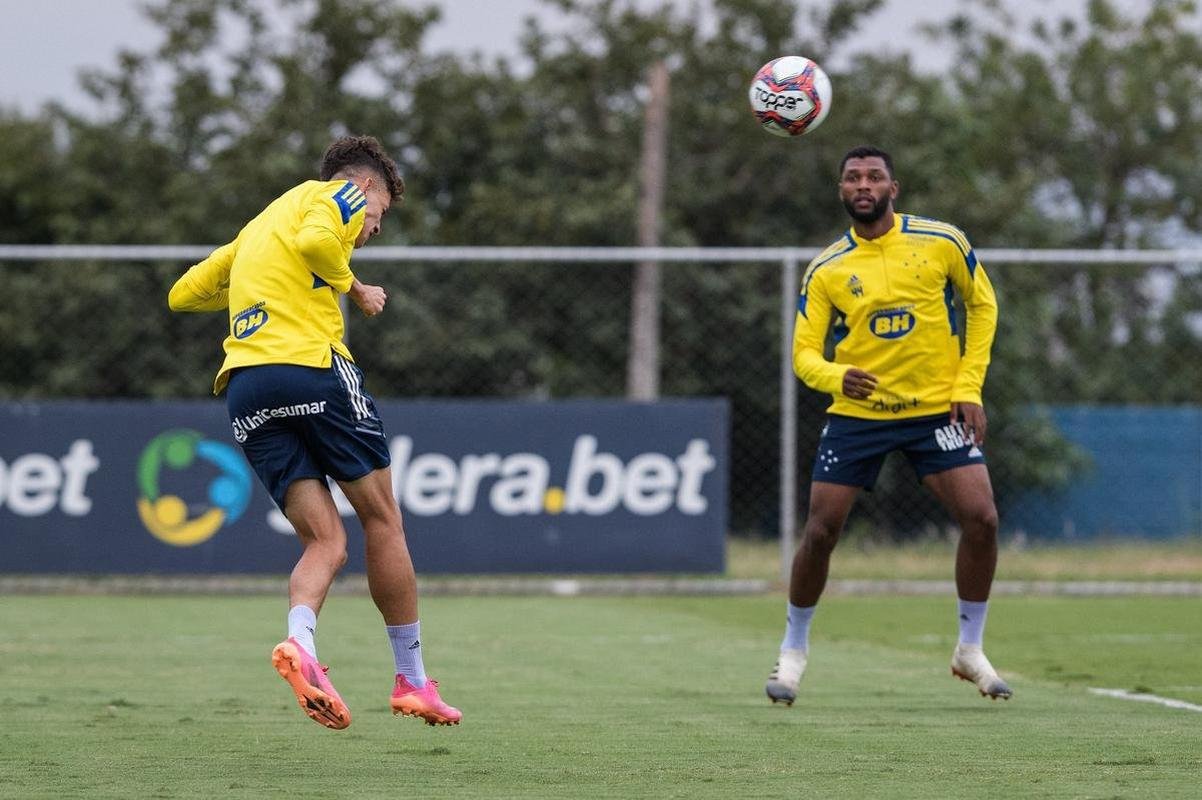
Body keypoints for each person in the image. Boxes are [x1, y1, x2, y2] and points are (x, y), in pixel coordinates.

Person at [168, 135, 461, 729]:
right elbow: (315, 240)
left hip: (247, 389)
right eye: (377, 217)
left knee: (325, 542)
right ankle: (411, 680)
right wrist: (355, 286)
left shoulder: (257, 229)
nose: (372, 228)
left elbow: (184, 293)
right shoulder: (340, 196)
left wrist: (258, 287)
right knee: (383, 519)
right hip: (311, 370)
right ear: (367, 187)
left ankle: (300, 642)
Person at [765, 145, 1011, 705]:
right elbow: (803, 355)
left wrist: (967, 386)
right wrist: (835, 376)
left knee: (983, 518)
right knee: (821, 530)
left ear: (893, 188)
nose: (863, 184)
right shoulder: (826, 269)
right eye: (852, 177)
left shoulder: (942, 241)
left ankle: (969, 648)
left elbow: (983, 306)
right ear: (842, 191)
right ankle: (794, 649)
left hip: (935, 411)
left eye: (874, 176)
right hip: (859, 417)